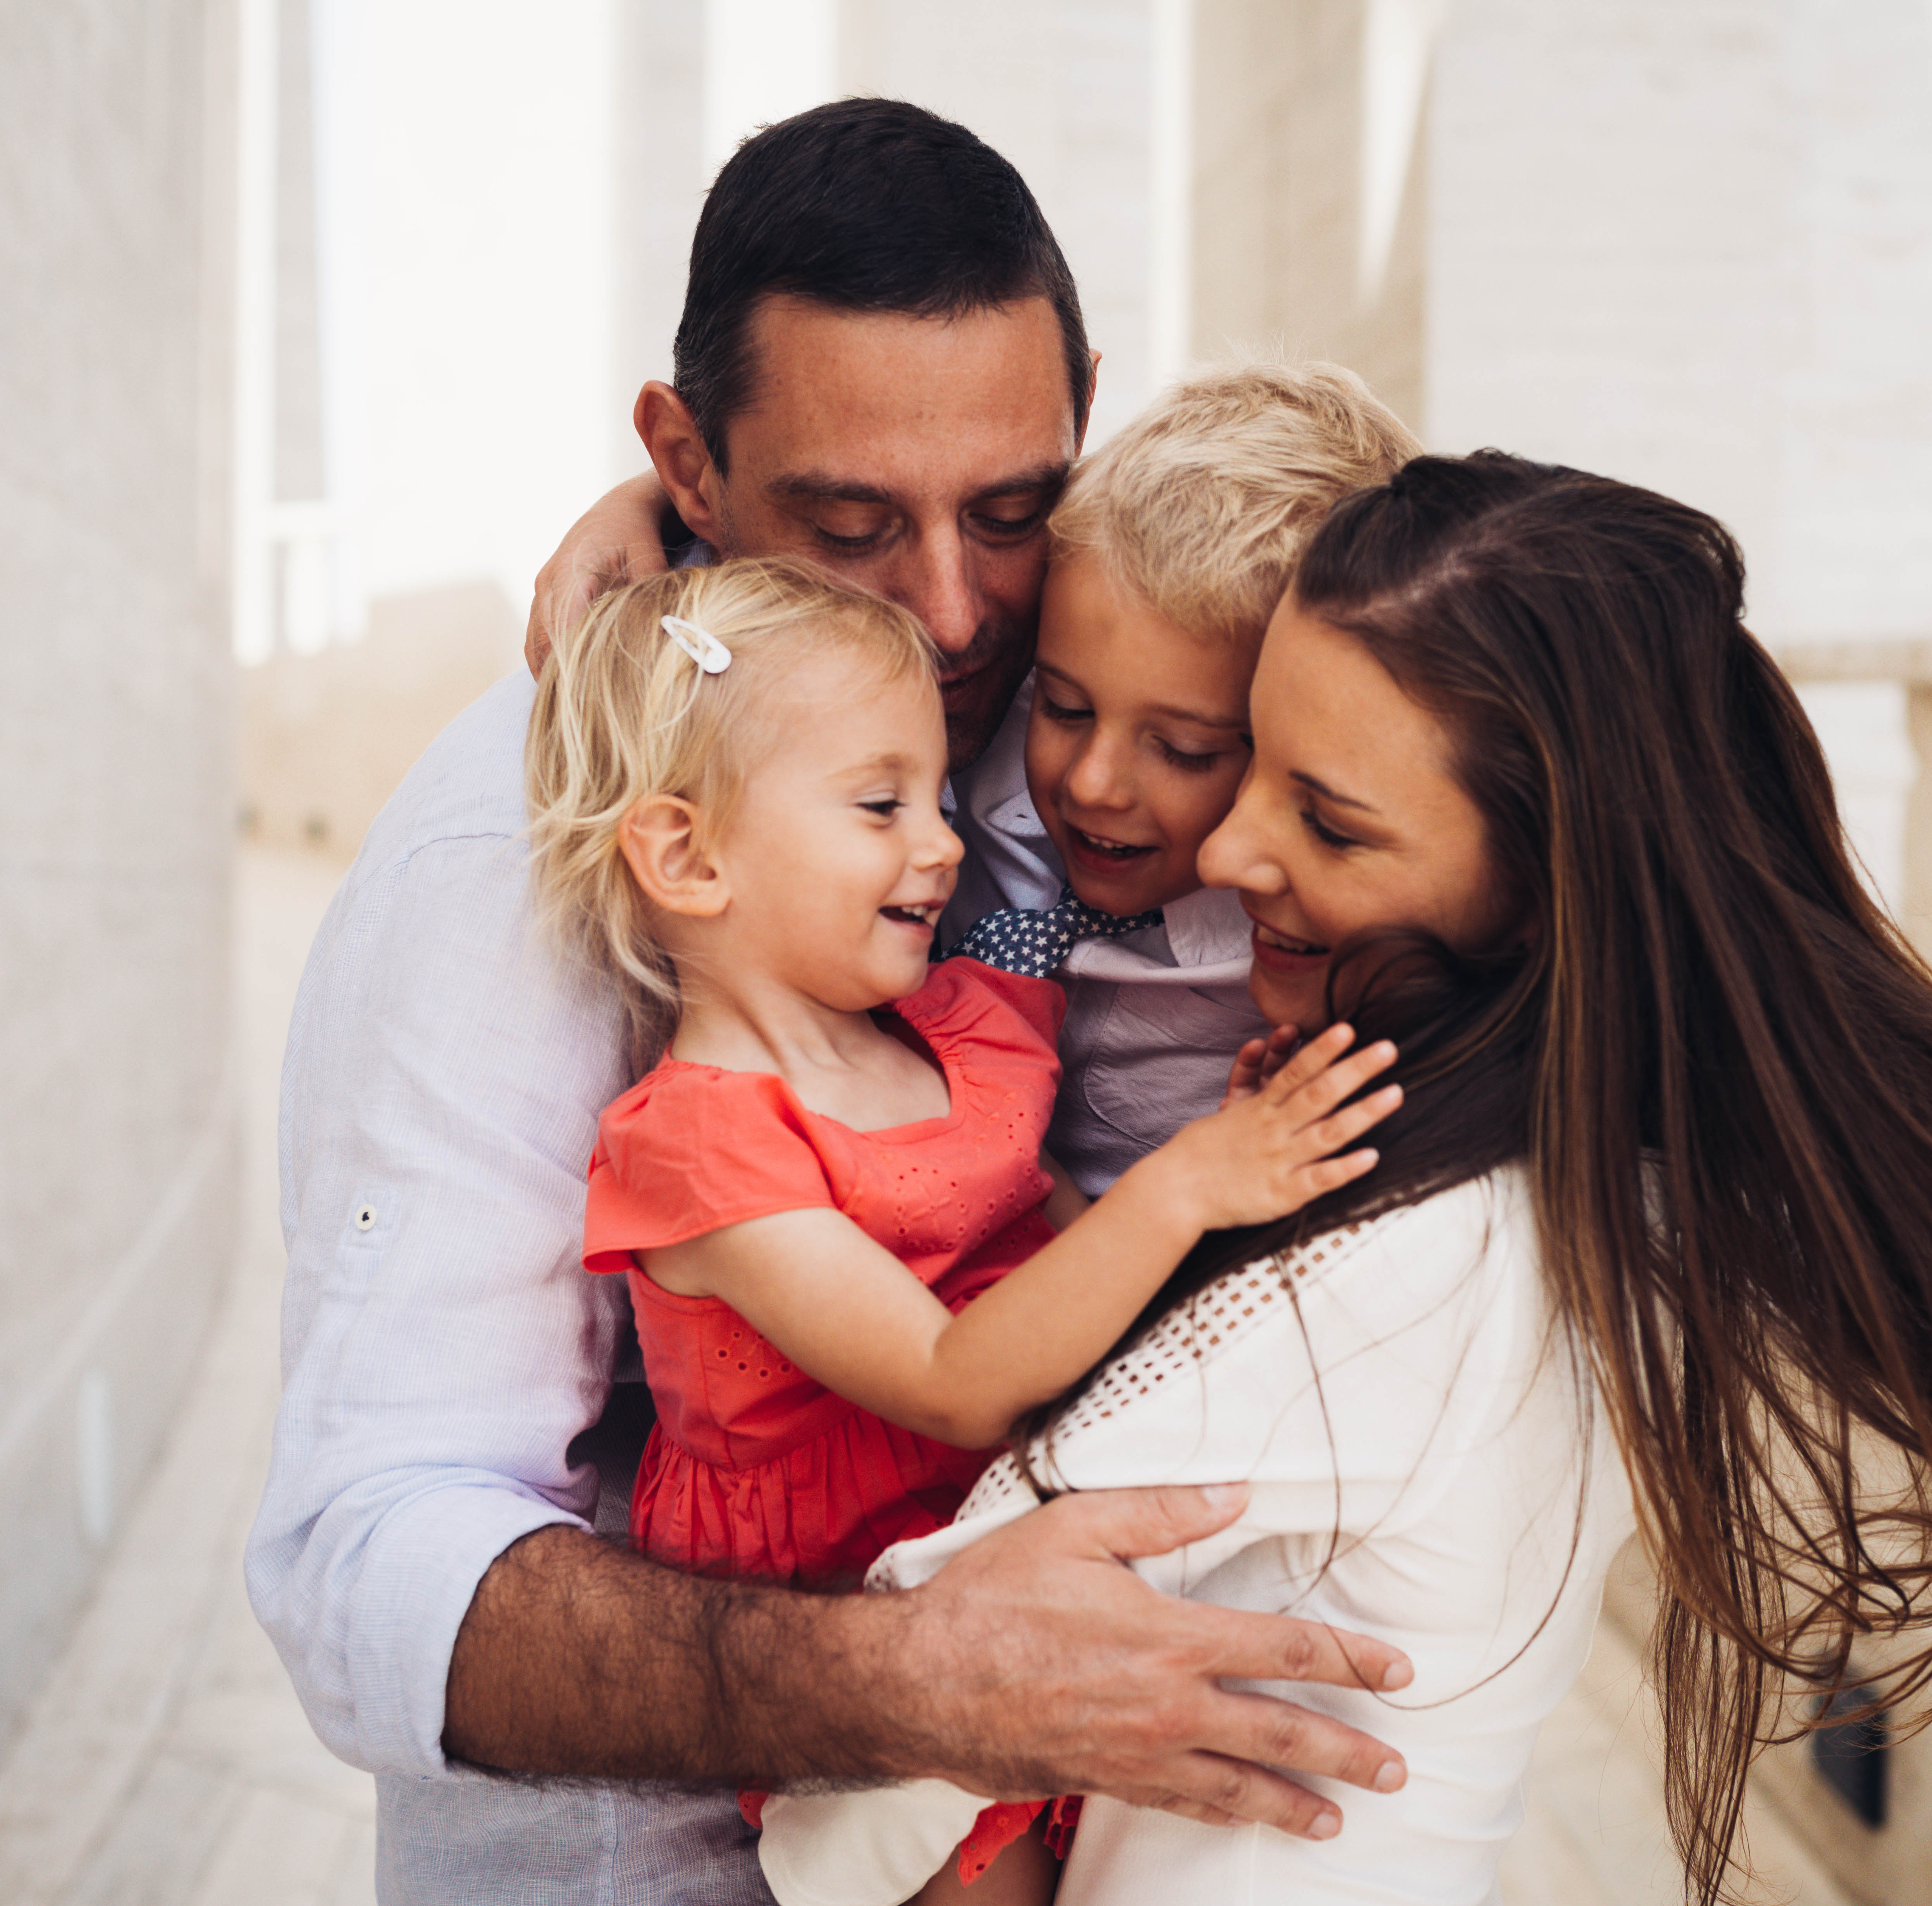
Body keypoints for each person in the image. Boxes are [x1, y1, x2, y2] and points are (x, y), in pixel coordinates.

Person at [248, 99, 1413, 1906]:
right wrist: (912, 1677)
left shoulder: (1070, 713)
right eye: (850, 524)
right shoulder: (505, 863)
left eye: (1012, 512)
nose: (951, 615)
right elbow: (366, 1556)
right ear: (689, 466)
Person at [754, 454, 1932, 1904]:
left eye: (1329, 821)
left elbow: (931, 1696)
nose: (1230, 846)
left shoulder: (1415, 1265)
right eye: (1253, 758)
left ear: (1551, 887)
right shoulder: (1622, 1188)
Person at [524, 556, 1405, 1897]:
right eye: (880, 804)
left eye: (939, 799)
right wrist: (1188, 1184)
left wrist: (1227, 1182)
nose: (943, 846)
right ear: (690, 857)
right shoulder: (698, 1146)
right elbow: (951, 1378)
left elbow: (1068, 1260)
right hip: (866, 1609)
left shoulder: (958, 1034)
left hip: (1024, 1527)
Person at [947, 360, 1420, 1192]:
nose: (1091, 785)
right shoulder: (967, 756)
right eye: (1064, 707)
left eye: (1185, 750)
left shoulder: (1310, 953)